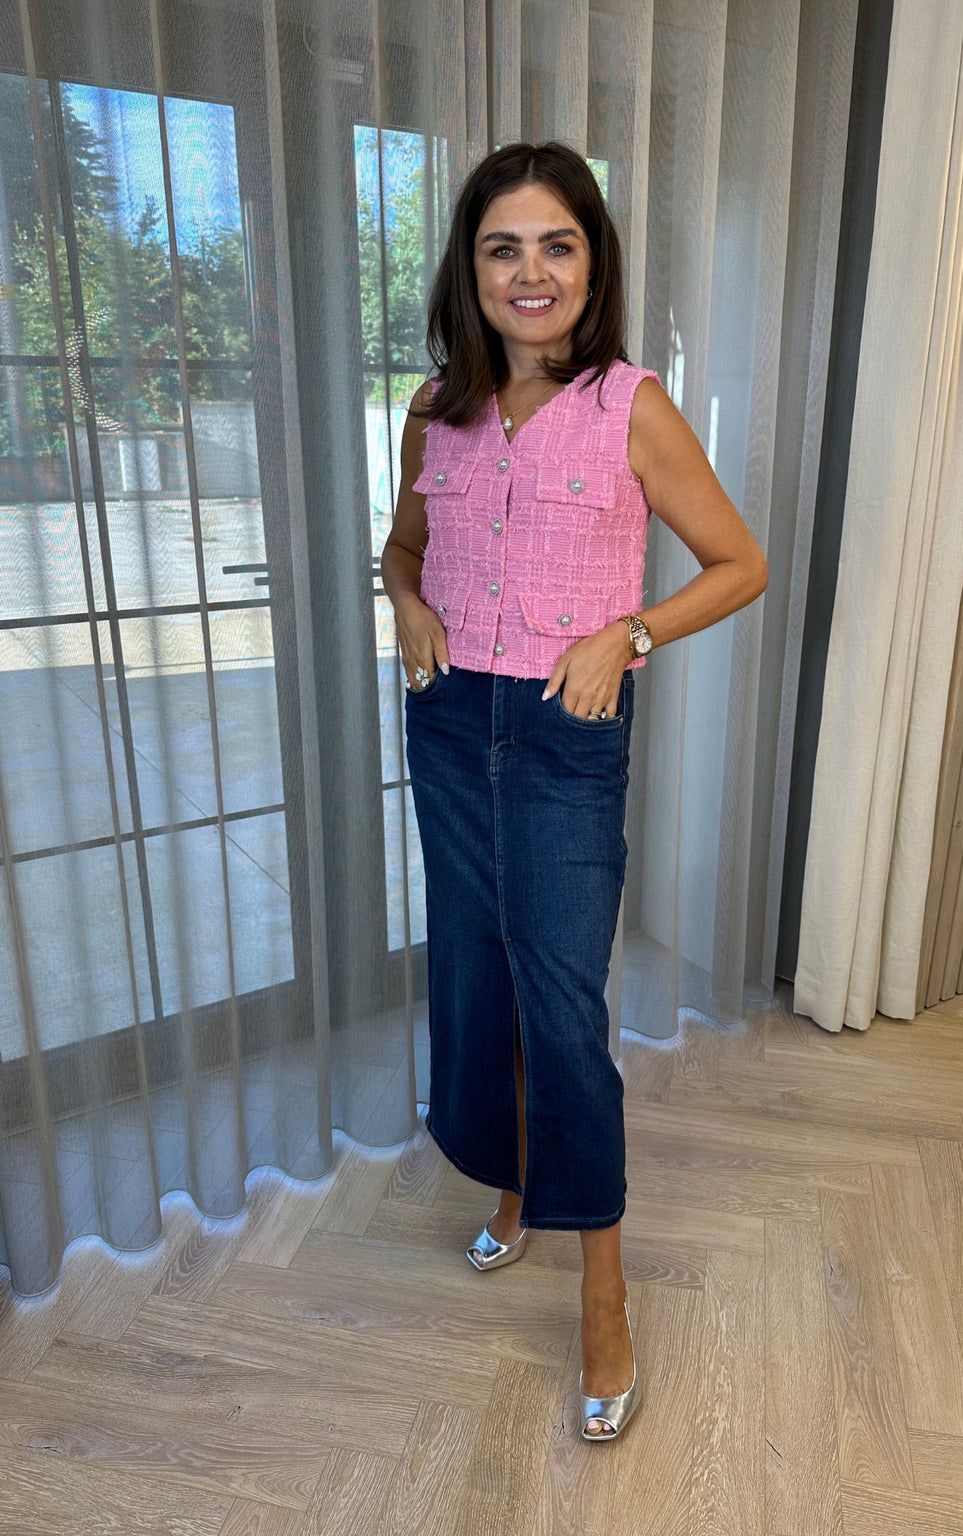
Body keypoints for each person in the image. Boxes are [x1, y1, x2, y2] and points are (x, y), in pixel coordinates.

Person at [381, 141, 767, 1442]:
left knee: (561, 1007)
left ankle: (604, 1292)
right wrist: (407, 603)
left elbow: (739, 562)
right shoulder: (436, 409)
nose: (530, 270)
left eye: (557, 243)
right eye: (504, 247)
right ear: (472, 269)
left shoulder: (630, 406)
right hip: (450, 725)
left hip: (563, 735)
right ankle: (510, 1186)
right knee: (476, 977)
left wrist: (629, 634)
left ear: (592, 264)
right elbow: (404, 546)